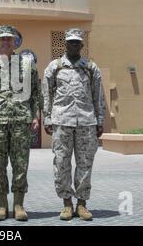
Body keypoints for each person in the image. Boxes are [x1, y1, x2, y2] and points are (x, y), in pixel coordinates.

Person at [42, 28, 106, 221]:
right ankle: (67, 203)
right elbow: (47, 94)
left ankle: (82, 204)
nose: (74, 45)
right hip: (61, 121)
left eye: (77, 42)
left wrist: (100, 120)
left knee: (85, 164)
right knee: (61, 163)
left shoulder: (90, 67)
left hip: (86, 122)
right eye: (71, 42)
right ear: (65, 44)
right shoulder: (55, 67)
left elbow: (98, 96)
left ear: (82, 45)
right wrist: (47, 117)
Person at [0, 25, 40, 221]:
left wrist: (36, 115)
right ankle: (1, 205)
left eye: (9, 39)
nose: (6, 42)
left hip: (21, 121)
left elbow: (36, 93)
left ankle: (19, 204)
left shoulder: (27, 64)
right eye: (2, 39)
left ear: (15, 42)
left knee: (20, 164)